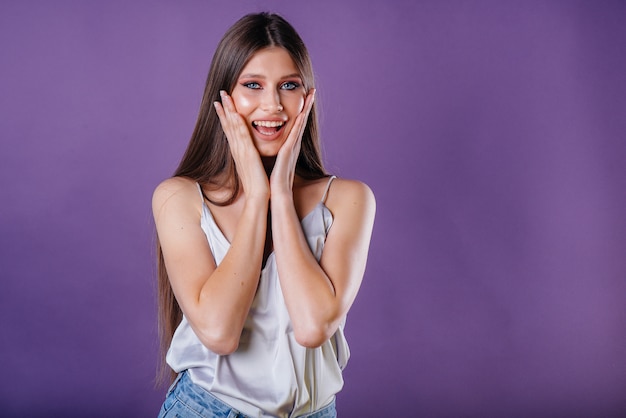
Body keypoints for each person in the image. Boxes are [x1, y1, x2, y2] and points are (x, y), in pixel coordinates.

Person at [152, 12, 375, 418]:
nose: (272, 105)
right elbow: (219, 333)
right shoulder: (179, 198)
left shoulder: (348, 199)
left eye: (288, 86)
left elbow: (312, 327)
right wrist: (257, 196)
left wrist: (281, 196)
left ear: (307, 97)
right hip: (207, 410)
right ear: (224, 98)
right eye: (252, 85)